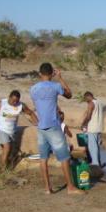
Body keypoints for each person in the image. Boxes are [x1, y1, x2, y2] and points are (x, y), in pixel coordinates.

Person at [30, 62, 83, 195]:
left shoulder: (33, 89)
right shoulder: (55, 86)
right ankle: (70, 187)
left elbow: (39, 105)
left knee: (43, 159)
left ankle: (48, 188)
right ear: (51, 73)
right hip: (53, 126)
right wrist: (60, 78)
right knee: (64, 157)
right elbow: (69, 95)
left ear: (40, 73)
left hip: (41, 127)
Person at [0, 90, 38, 169]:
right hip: (1, 129)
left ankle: (1, 166)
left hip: (11, 132)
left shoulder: (21, 105)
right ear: (9, 97)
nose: (14, 103)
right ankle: (3, 170)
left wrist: (38, 124)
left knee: (8, 151)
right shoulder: (1, 103)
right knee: (7, 147)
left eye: (16, 101)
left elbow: (30, 113)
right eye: (13, 100)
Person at [80, 91, 103, 170]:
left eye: (86, 99)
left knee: (92, 146)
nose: (86, 101)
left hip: (92, 128)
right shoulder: (99, 102)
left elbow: (89, 116)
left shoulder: (91, 104)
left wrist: (83, 124)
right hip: (99, 127)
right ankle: (98, 162)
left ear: (88, 96)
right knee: (97, 146)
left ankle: (95, 164)